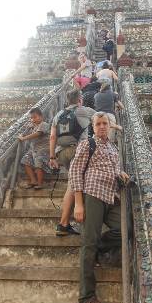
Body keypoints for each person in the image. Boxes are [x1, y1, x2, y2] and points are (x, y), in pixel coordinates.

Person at [69, 112, 129, 303]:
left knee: (126, 229)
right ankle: (86, 299)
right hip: (93, 194)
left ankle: (98, 248)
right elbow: (75, 171)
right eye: (98, 124)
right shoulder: (87, 144)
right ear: (93, 127)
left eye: (105, 124)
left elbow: (114, 170)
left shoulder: (113, 148)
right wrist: (78, 203)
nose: (102, 127)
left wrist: (120, 174)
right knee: (88, 242)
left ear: (110, 126)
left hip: (111, 197)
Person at [49, 89, 95, 235]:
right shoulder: (85, 111)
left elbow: (52, 137)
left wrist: (52, 158)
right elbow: (103, 121)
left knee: (73, 182)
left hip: (62, 153)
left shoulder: (58, 115)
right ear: (80, 99)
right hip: (78, 150)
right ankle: (63, 223)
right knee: (73, 185)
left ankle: (65, 223)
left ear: (68, 100)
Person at [19, 107, 51, 190]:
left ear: (41, 116)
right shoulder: (33, 127)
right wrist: (27, 128)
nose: (33, 119)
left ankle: (40, 183)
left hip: (43, 149)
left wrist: (24, 138)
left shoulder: (44, 125)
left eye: (35, 117)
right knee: (25, 160)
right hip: (34, 149)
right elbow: (23, 133)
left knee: (38, 161)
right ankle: (33, 180)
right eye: (31, 118)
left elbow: (38, 134)